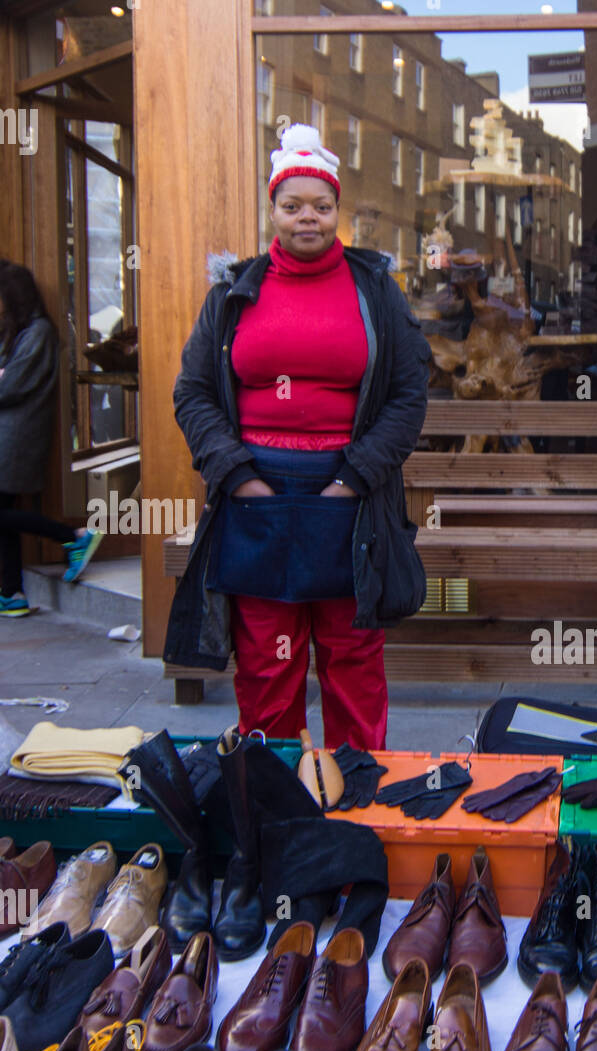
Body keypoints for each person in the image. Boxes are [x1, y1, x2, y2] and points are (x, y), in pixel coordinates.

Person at [166, 125, 431, 749]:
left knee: (353, 659)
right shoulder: (232, 294)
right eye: (292, 206)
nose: (306, 218)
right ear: (274, 210)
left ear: (337, 211)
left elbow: (407, 395)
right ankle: (273, 798)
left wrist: (353, 478)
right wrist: (238, 476)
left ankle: (359, 794)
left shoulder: (376, 293)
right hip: (257, 502)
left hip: (351, 501)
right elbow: (193, 392)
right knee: (266, 664)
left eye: (321, 205)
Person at [0, 261, 102, 618]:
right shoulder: (19, 332)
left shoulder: (38, 332)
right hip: (9, 436)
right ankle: (12, 592)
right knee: (5, 515)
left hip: (15, 441)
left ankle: (72, 536)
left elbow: (8, 386)